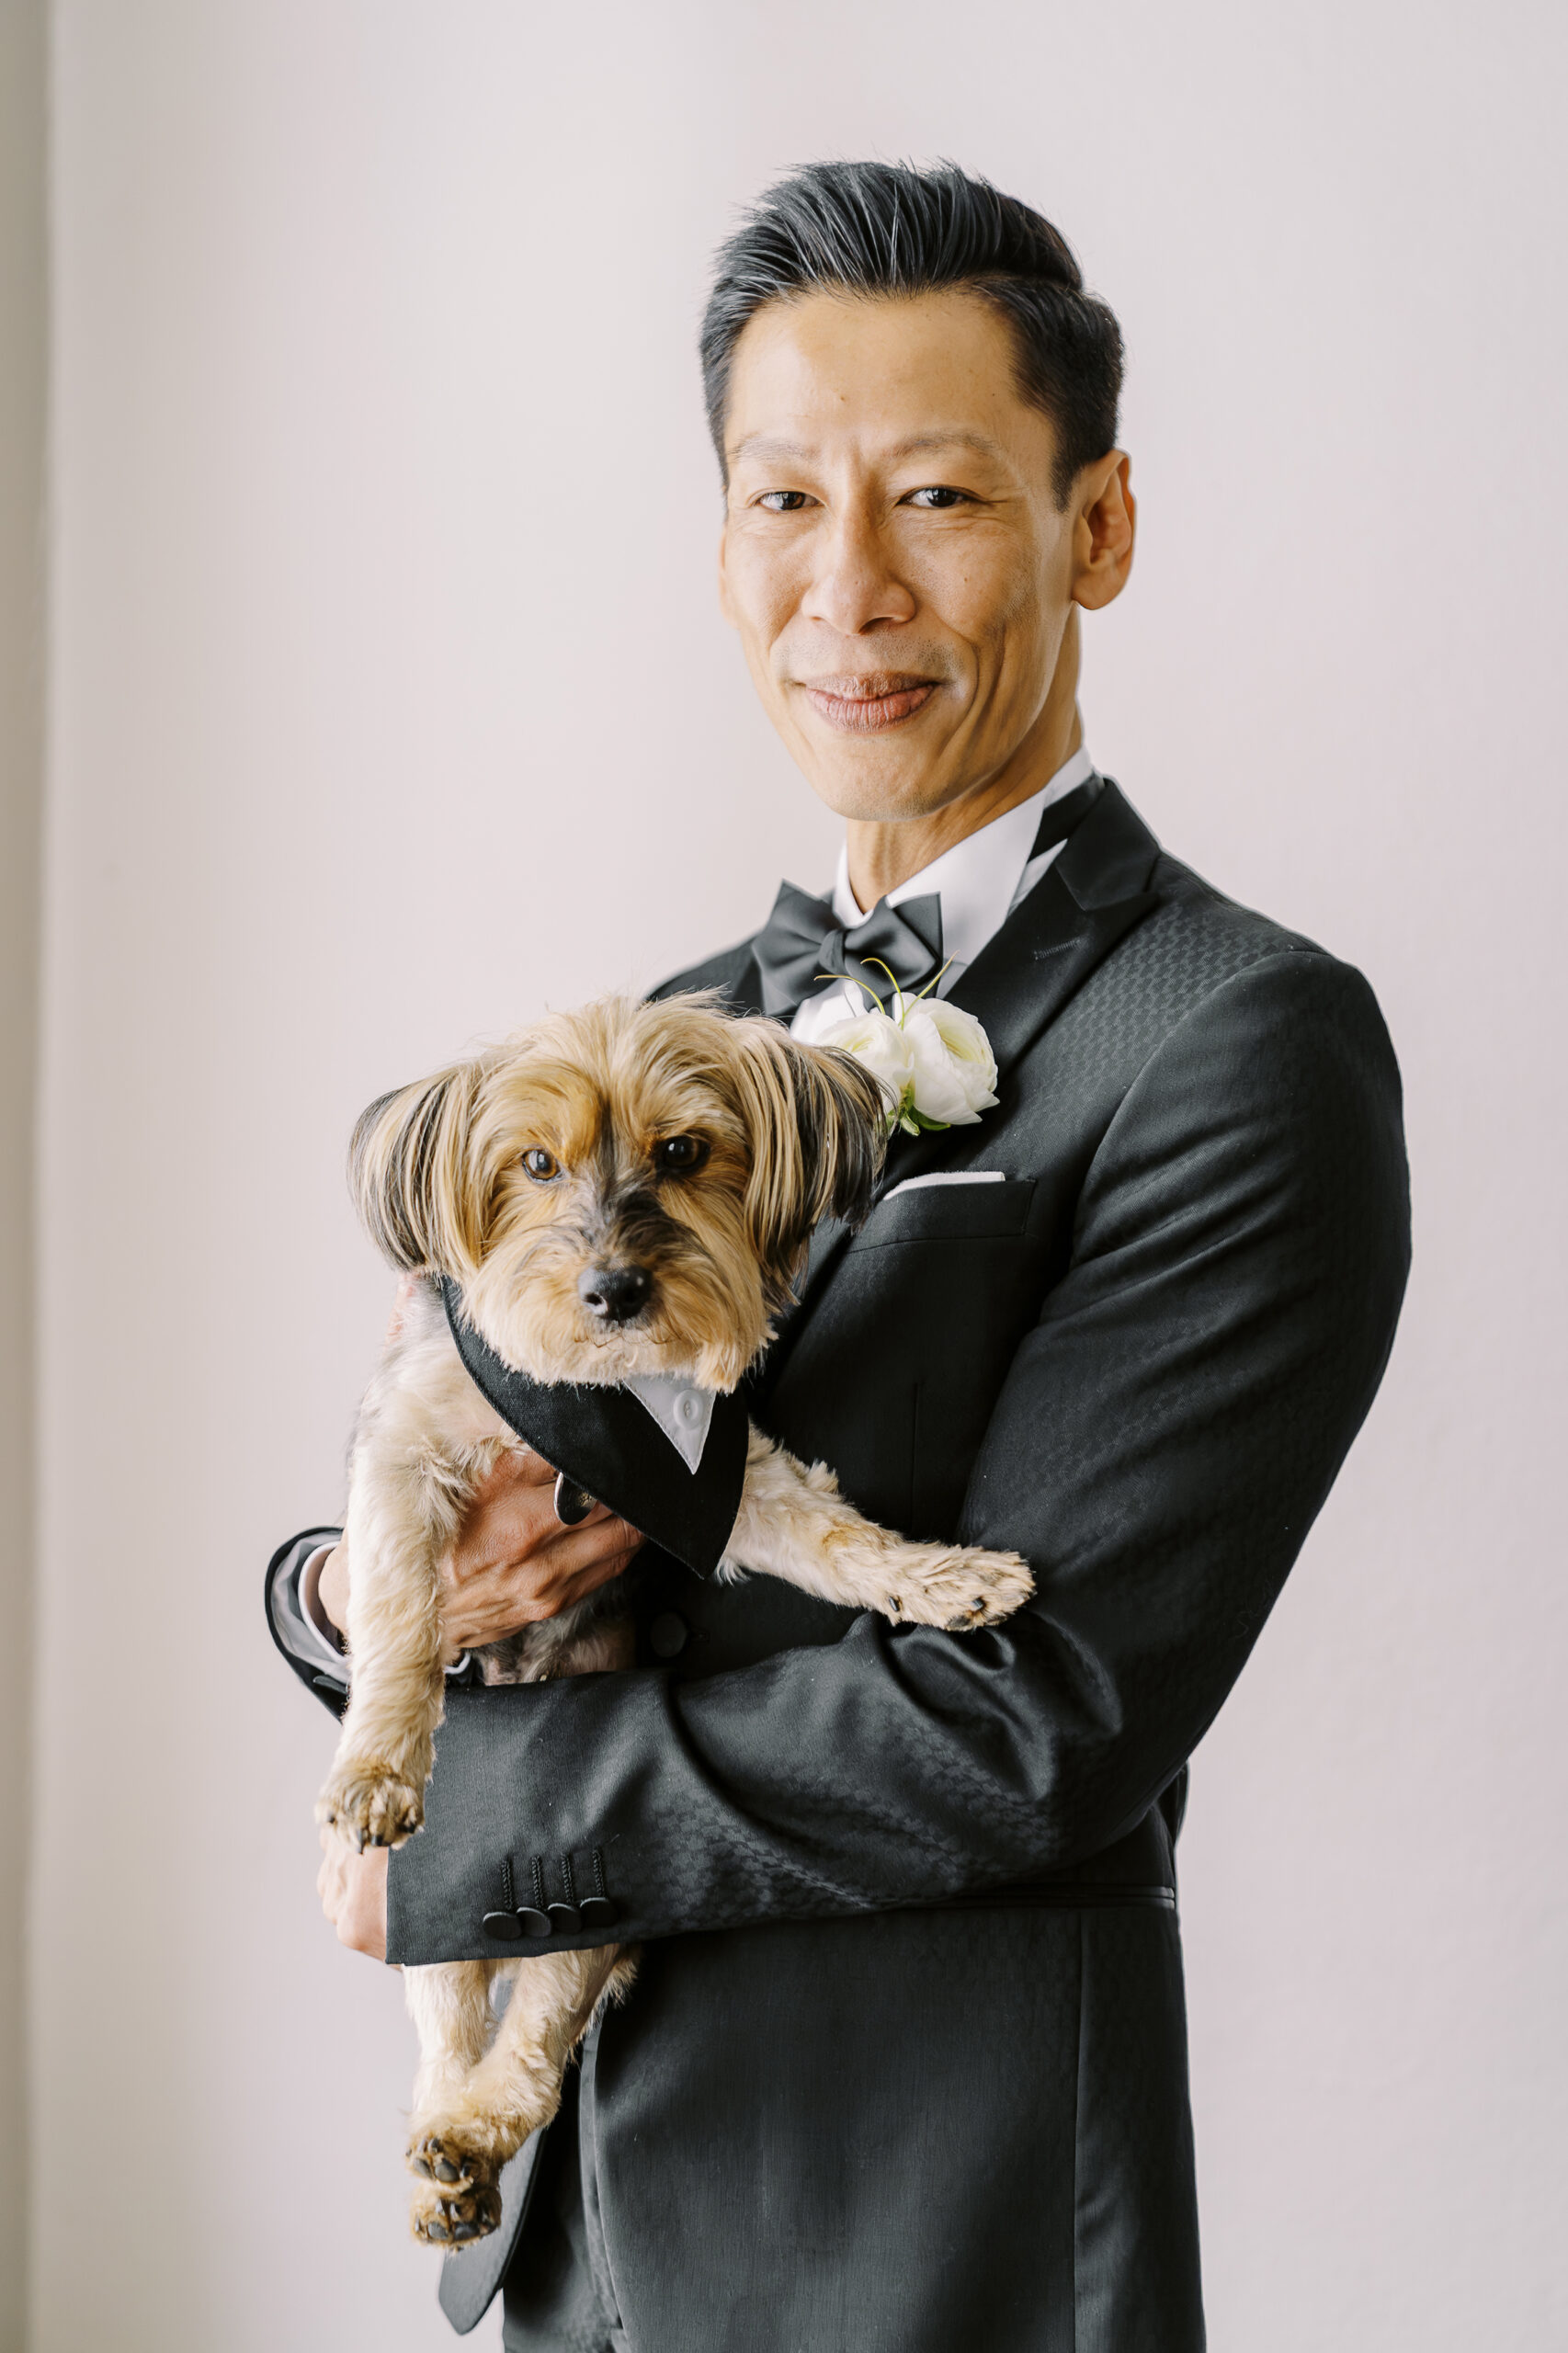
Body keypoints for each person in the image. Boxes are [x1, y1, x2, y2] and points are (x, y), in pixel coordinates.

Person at [269, 161, 1410, 2351]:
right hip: (567, 2228)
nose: (847, 587)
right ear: (719, 546)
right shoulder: (665, 1032)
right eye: (781, 500)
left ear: (1096, 531)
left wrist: (458, 1815)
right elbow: (452, 1449)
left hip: (925, 2235)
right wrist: (349, 1597)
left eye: (937, 501)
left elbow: (1032, 1718)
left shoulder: (1241, 1041)